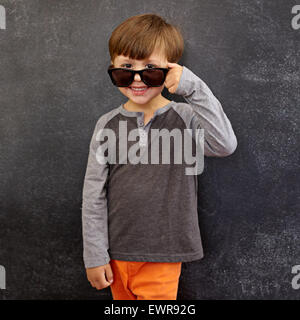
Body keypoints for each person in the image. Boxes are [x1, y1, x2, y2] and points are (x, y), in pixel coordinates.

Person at [81, 13, 238, 300]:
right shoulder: (107, 124)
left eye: (151, 68)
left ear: (170, 70)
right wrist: (94, 254)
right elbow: (93, 194)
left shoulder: (185, 117)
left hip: (163, 254)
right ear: (113, 67)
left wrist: (192, 86)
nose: (137, 78)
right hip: (114, 253)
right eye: (126, 67)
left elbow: (224, 144)